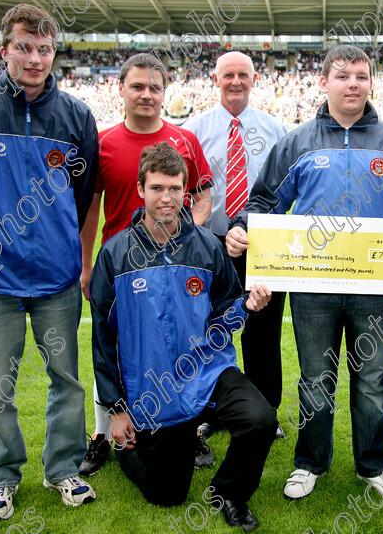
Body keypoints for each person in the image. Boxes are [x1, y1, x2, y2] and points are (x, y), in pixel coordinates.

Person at [226, 44, 383, 500]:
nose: (353, 84)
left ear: (372, 83)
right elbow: (264, 201)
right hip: (313, 286)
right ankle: (310, 462)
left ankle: (376, 464)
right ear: (324, 82)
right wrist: (239, 227)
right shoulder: (298, 141)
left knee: (371, 380)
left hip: (376, 286)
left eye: (361, 76)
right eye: (343, 75)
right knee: (315, 378)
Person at [0, 3, 98, 521]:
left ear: (55, 52)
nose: (35, 58)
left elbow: (80, 199)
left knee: (66, 381)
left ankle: (64, 468)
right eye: (24, 47)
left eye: (45, 49)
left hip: (55, 278)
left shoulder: (76, 117)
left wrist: (62, 250)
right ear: (4, 48)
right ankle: (2, 478)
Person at [89, 142, 276, 532]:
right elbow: (104, 338)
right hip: (154, 388)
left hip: (207, 372)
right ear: (140, 189)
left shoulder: (207, 247)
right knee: (167, 494)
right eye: (157, 188)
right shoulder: (115, 254)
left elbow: (225, 312)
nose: (167, 198)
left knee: (260, 419)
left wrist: (247, 306)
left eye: (175, 189)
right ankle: (126, 448)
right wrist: (115, 406)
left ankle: (230, 492)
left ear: (185, 192)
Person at [78, 53, 214, 476]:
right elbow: (91, 208)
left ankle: (188, 432)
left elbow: (204, 194)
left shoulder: (184, 141)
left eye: (155, 87)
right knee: (112, 346)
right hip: (119, 267)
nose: (146, 94)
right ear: (120, 89)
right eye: (137, 86)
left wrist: (186, 237)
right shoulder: (102, 144)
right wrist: (87, 266)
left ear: (165, 93)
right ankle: (105, 434)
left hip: (174, 267)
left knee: (181, 344)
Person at [183, 51, 288, 439]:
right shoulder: (194, 130)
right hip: (212, 247)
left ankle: (265, 409)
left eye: (243, 75)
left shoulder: (276, 130)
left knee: (263, 332)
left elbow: (283, 191)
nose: (236, 82)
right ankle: (213, 408)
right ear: (215, 79)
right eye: (228, 75)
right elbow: (189, 193)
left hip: (264, 245)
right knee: (211, 330)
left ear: (255, 79)